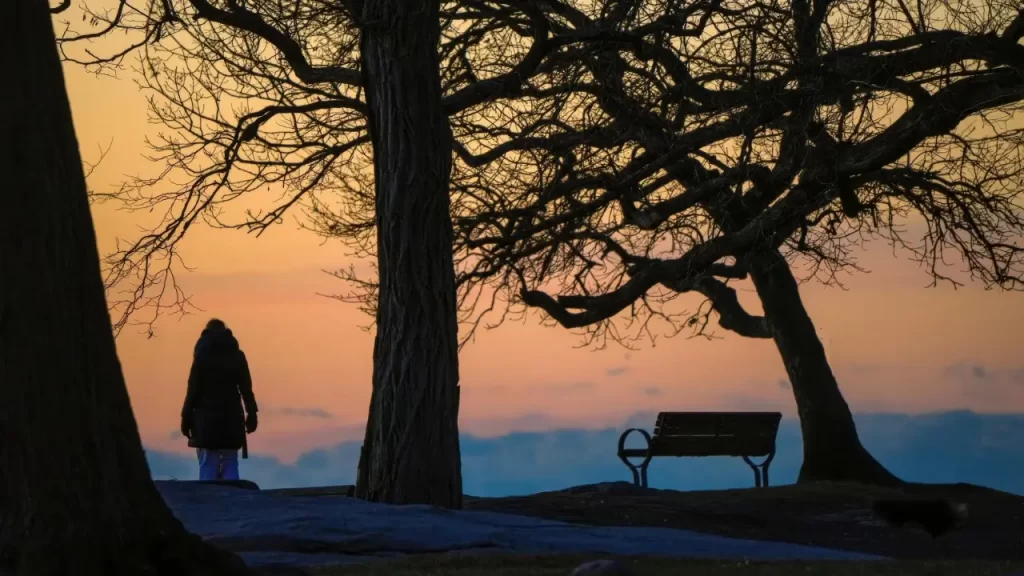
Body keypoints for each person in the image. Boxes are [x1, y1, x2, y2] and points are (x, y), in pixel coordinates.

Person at [180, 318, 259, 481]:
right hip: (232, 418)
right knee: (231, 462)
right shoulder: (237, 356)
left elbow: (192, 390)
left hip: (206, 419)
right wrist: (252, 414)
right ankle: (235, 501)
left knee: (208, 463)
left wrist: (185, 418)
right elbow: (246, 389)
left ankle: (210, 504)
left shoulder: (202, 356)